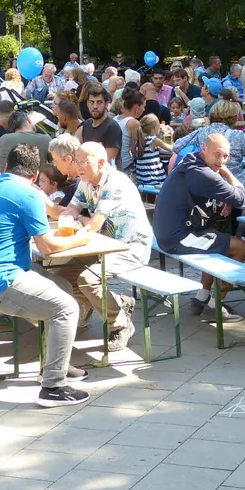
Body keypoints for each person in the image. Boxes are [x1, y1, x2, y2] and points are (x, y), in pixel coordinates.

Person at [0, 143, 92, 407]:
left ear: (4, 167)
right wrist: (81, 238)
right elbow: (47, 248)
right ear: (35, 176)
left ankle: (55, 364)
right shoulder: (28, 193)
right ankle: (53, 388)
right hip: (1, 282)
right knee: (67, 309)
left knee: (61, 287)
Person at [52, 142, 152, 350]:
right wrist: (71, 217)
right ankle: (117, 302)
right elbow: (70, 212)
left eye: (84, 162)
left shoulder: (115, 183)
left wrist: (75, 220)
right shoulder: (86, 181)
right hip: (102, 245)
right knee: (60, 277)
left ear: (101, 163)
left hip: (130, 248)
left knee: (88, 279)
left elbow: (94, 225)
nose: (79, 167)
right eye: (77, 162)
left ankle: (120, 324)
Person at [153, 133, 245, 320]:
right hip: (177, 238)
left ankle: (202, 297)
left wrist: (224, 197)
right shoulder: (203, 173)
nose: (221, 161)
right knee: (240, 248)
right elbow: (241, 197)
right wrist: (226, 173)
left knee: (214, 238)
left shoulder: (190, 162)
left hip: (168, 232)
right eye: (217, 154)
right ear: (204, 149)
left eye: (226, 157)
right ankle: (215, 306)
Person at [173, 99, 245, 168]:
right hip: (234, 187)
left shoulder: (201, 132)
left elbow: (176, 146)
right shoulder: (238, 136)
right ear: (234, 117)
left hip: (207, 184)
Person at [79, 84, 123, 165]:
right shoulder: (87, 124)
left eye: (99, 102)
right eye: (92, 102)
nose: (95, 106)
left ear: (106, 105)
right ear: (87, 104)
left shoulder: (112, 127)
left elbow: (107, 162)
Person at [132, 113, 172, 188]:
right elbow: (173, 148)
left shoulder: (139, 139)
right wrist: (171, 133)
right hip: (155, 180)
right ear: (155, 127)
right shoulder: (154, 140)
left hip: (142, 179)